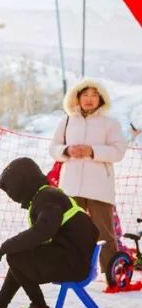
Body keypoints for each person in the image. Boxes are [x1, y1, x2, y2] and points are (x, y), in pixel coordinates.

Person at [0, 157, 98, 308]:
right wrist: (15, 246)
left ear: (23, 183)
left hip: (75, 264)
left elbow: (43, 231)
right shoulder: (47, 194)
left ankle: (38, 305)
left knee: (16, 256)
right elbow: (44, 232)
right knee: (19, 255)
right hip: (74, 257)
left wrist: (9, 244)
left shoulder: (46, 198)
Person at [48, 79, 127, 274]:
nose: (89, 99)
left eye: (94, 95)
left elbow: (118, 152)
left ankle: (113, 276)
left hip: (99, 187)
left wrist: (92, 151)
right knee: (70, 231)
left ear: (101, 98)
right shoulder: (67, 121)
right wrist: (67, 150)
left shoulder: (110, 123)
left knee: (104, 233)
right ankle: (70, 271)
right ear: (77, 97)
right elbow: (53, 148)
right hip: (70, 187)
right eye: (85, 95)